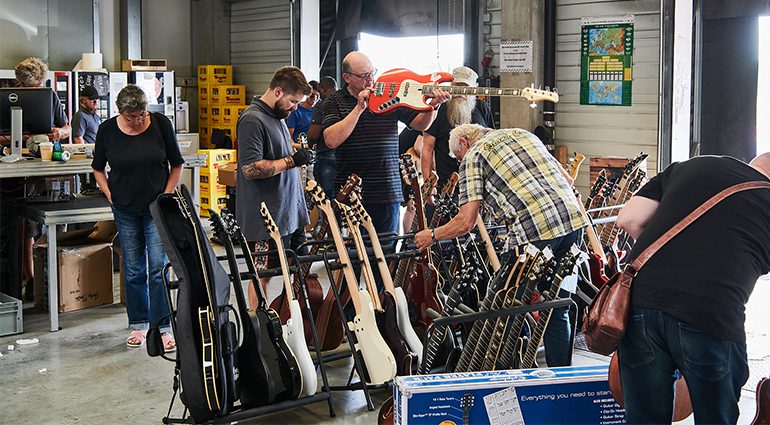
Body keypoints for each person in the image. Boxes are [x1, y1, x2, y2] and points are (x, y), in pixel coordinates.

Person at [414, 123, 588, 367]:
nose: (459, 162)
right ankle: (559, 381)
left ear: (463, 143)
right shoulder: (523, 134)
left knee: (505, 310)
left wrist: (431, 235)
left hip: (534, 233)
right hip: (573, 222)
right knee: (557, 308)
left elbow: (466, 221)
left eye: (457, 156)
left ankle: (501, 377)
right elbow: (567, 179)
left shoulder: (474, 156)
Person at [615, 154, 770, 424]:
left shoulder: (695, 165)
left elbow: (629, 220)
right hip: (711, 313)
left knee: (643, 417)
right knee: (715, 417)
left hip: (640, 301)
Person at [92, 84, 183, 352]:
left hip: (157, 208)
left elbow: (176, 164)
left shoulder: (160, 124)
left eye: (141, 115)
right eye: (131, 117)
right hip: (125, 208)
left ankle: (164, 327)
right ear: (121, 112)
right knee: (133, 270)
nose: (137, 121)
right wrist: (109, 193)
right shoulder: (107, 130)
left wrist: (166, 195)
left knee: (158, 268)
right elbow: (98, 168)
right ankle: (140, 323)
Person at [322, 51, 451, 235]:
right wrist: (359, 108)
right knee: (353, 255)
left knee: (387, 252)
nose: (371, 79)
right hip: (350, 192)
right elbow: (331, 140)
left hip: (387, 191)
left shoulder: (388, 93)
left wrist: (433, 106)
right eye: (364, 76)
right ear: (347, 77)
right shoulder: (334, 100)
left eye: (372, 72)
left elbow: (421, 124)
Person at [235, 66, 314, 309]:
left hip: (289, 211)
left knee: (298, 268)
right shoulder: (252, 119)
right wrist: (292, 161)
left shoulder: (277, 116)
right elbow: (251, 168)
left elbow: (280, 146)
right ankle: (260, 330)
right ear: (277, 91)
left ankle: (291, 322)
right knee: (263, 276)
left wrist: (297, 150)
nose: (295, 107)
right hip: (265, 219)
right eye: (292, 101)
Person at [15, 57, 71, 301]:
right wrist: (17, 137)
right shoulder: (10, 98)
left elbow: (67, 126)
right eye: (30, 87)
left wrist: (60, 132)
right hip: (17, 169)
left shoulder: (50, 97)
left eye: (38, 86)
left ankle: (53, 277)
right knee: (24, 226)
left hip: (46, 164)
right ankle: (31, 279)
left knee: (54, 218)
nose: (35, 91)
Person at [422, 66, 495, 192]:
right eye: (456, 86)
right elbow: (427, 149)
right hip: (446, 187)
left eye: (464, 87)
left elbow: (492, 142)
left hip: (479, 184)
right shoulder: (439, 109)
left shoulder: (482, 108)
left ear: (474, 89)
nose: (459, 91)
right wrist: (428, 185)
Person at [307, 76, 338, 197]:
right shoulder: (345, 101)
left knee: (326, 199)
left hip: (327, 155)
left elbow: (313, 135)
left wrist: (309, 143)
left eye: (319, 92)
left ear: (324, 89)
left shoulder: (321, 106)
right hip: (345, 156)